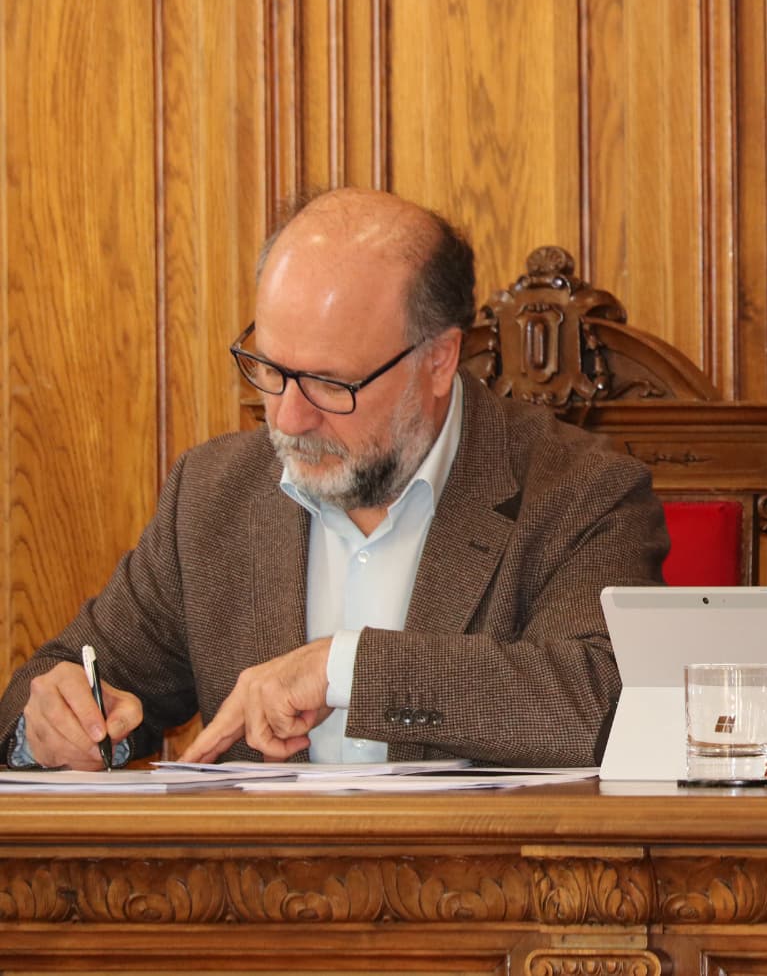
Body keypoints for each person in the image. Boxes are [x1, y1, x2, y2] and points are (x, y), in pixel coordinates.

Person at [0, 188, 669, 769]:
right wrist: (56, 723)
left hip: (483, 903)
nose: (289, 417)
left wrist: (342, 669)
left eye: (328, 382)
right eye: (269, 369)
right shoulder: (212, 496)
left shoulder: (581, 491)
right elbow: (57, 685)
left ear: (437, 360)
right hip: (248, 903)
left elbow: (600, 701)